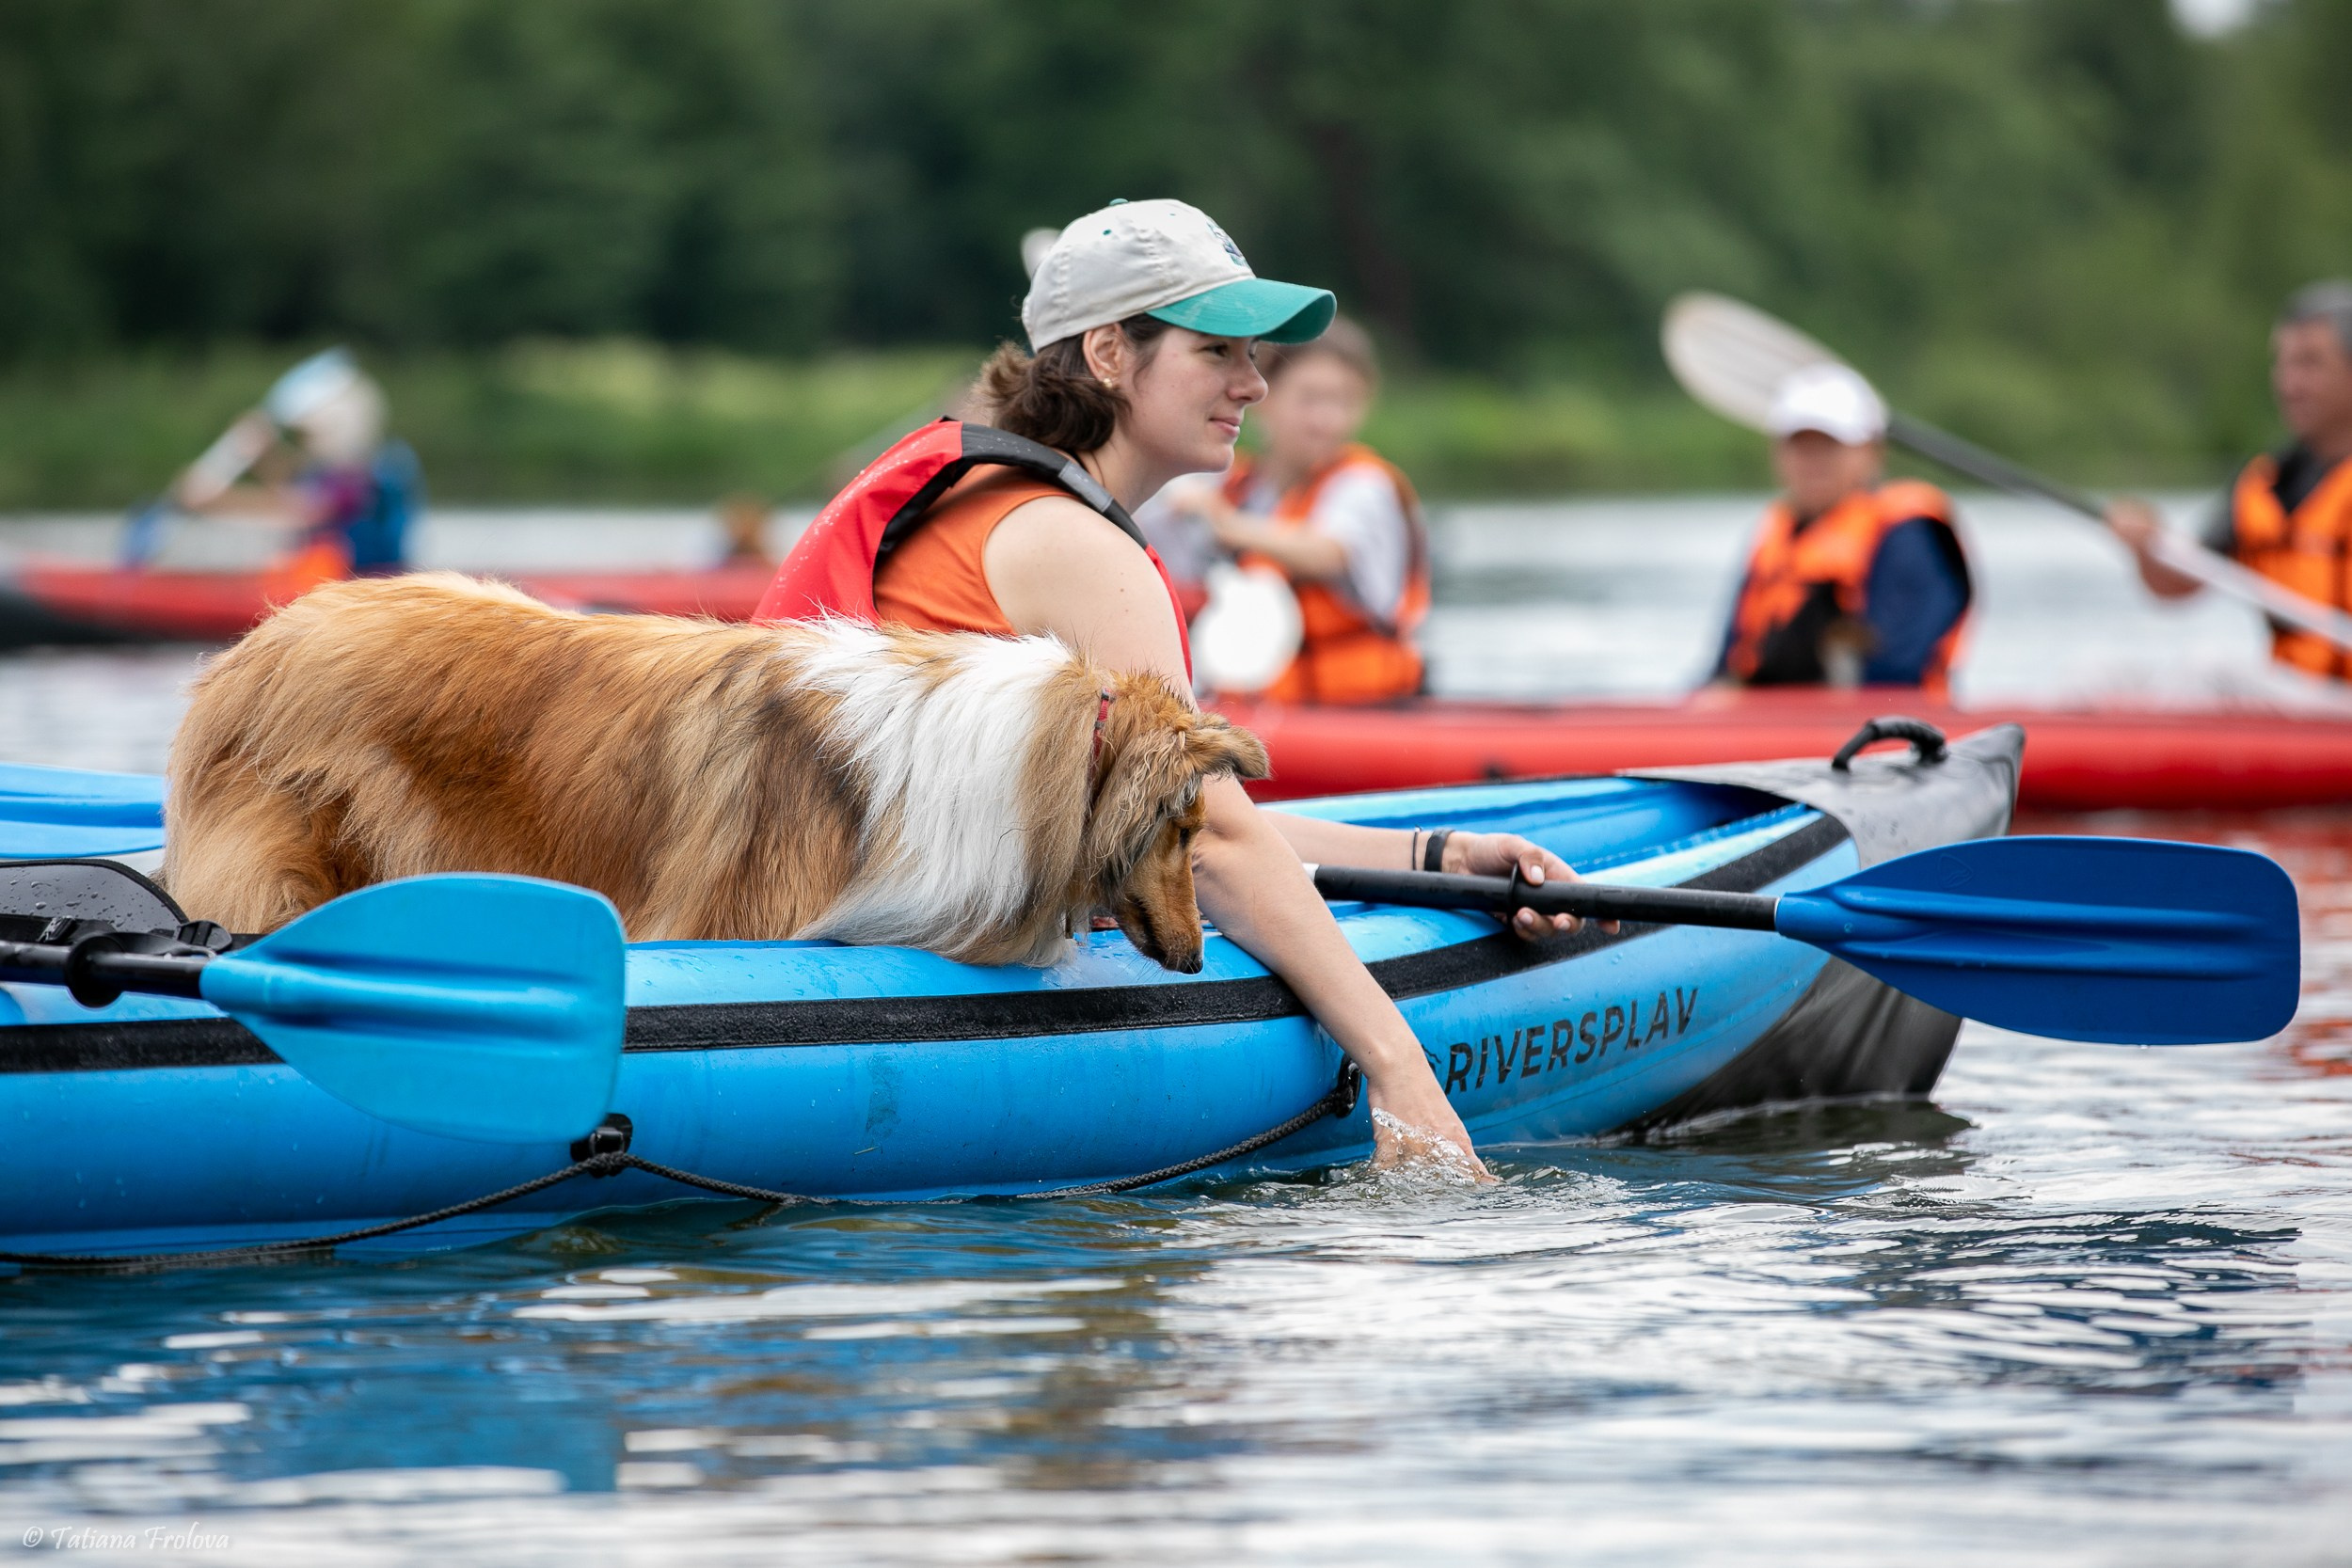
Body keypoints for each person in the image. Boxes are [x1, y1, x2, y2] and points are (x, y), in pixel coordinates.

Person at [762, 198, 1601, 1174]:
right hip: (854, 964)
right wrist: (1400, 1070)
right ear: (1112, 354)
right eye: (1218, 352)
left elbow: (1176, 821)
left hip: (813, 918)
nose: (1253, 383)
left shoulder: (982, 493)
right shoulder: (1076, 545)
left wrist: (1434, 851)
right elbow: (1215, 843)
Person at [1152, 317, 1429, 705]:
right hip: (1255, 705)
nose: (1326, 421)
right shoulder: (1227, 485)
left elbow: (1329, 552)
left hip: (1362, 712)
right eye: (1310, 399)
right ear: (1263, 397)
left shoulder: (1365, 486)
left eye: (1344, 402)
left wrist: (1225, 525)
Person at [2108, 280, 2352, 681]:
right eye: (2283, 363)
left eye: (2310, 364)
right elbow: (2182, 581)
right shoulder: (2267, 482)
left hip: (2338, 706)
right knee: (2112, 675)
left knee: (2215, 671)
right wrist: (2147, 546)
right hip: (2302, 706)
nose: (2289, 384)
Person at [1713, 363, 1972, 693]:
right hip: (1773, 726)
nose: (1813, 459)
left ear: (1872, 452)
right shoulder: (1774, 538)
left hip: (1879, 730)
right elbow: (1724, 666)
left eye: (1830, 445)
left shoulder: (1908, 536)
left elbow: (1897, 670)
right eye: (1800, 444)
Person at [168, 348, 420, 596]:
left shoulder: (373, 474)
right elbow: (296, 481)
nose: (305, 444)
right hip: (337, 584)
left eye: (307, 436)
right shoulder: (354, 466)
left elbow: (308, 509)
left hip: (365, 588)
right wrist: (264, 453)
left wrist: (214, 500)